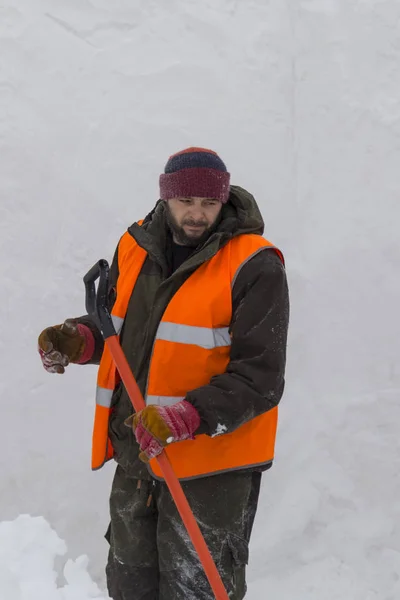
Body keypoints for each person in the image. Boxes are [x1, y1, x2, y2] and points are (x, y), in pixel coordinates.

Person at [38, 147, 290, 600]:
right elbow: (124, 332)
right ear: (166, 196)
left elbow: (261, 377)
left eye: (209, 203)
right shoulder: (136, 247)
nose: (196, 214)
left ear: (224, 199)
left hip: (210, 469)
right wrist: (80, 340)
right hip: (139, 454)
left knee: (195, 590)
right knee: (130, 583)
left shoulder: (255, 264)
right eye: (186, 202)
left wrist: (186, 416)